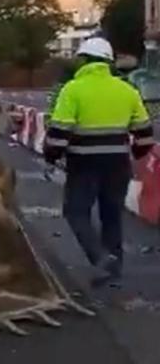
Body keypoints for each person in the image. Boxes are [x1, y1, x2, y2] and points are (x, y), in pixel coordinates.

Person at [44, 37, 154, 287]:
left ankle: (100, 257)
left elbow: (59, 134)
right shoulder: (127, 90)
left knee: (75, 211)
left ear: (83, 60)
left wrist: (51, 157)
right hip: (118, 164)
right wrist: (135, 154)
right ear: (108, 62)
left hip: (83, 164)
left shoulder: (73, 90)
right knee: (112, 215)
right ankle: (114, 269)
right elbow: (145, 135)